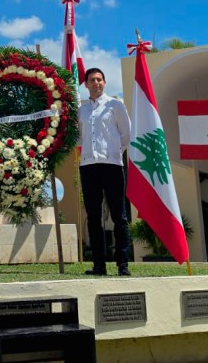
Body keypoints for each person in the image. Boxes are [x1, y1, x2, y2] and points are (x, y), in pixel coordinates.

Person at [78, 68, 133, 276]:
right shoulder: (81, 110)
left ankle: (122, 264)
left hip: (112, 166)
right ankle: (99, 265)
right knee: (93, 217)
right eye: (92, 80)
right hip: (88, 167)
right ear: (86, 84)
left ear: (104, 82)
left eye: (99, 79)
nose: (96, 83)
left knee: (119, 216)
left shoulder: (115, 105)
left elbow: (126, 134)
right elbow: (79, 138)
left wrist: (114, 153)